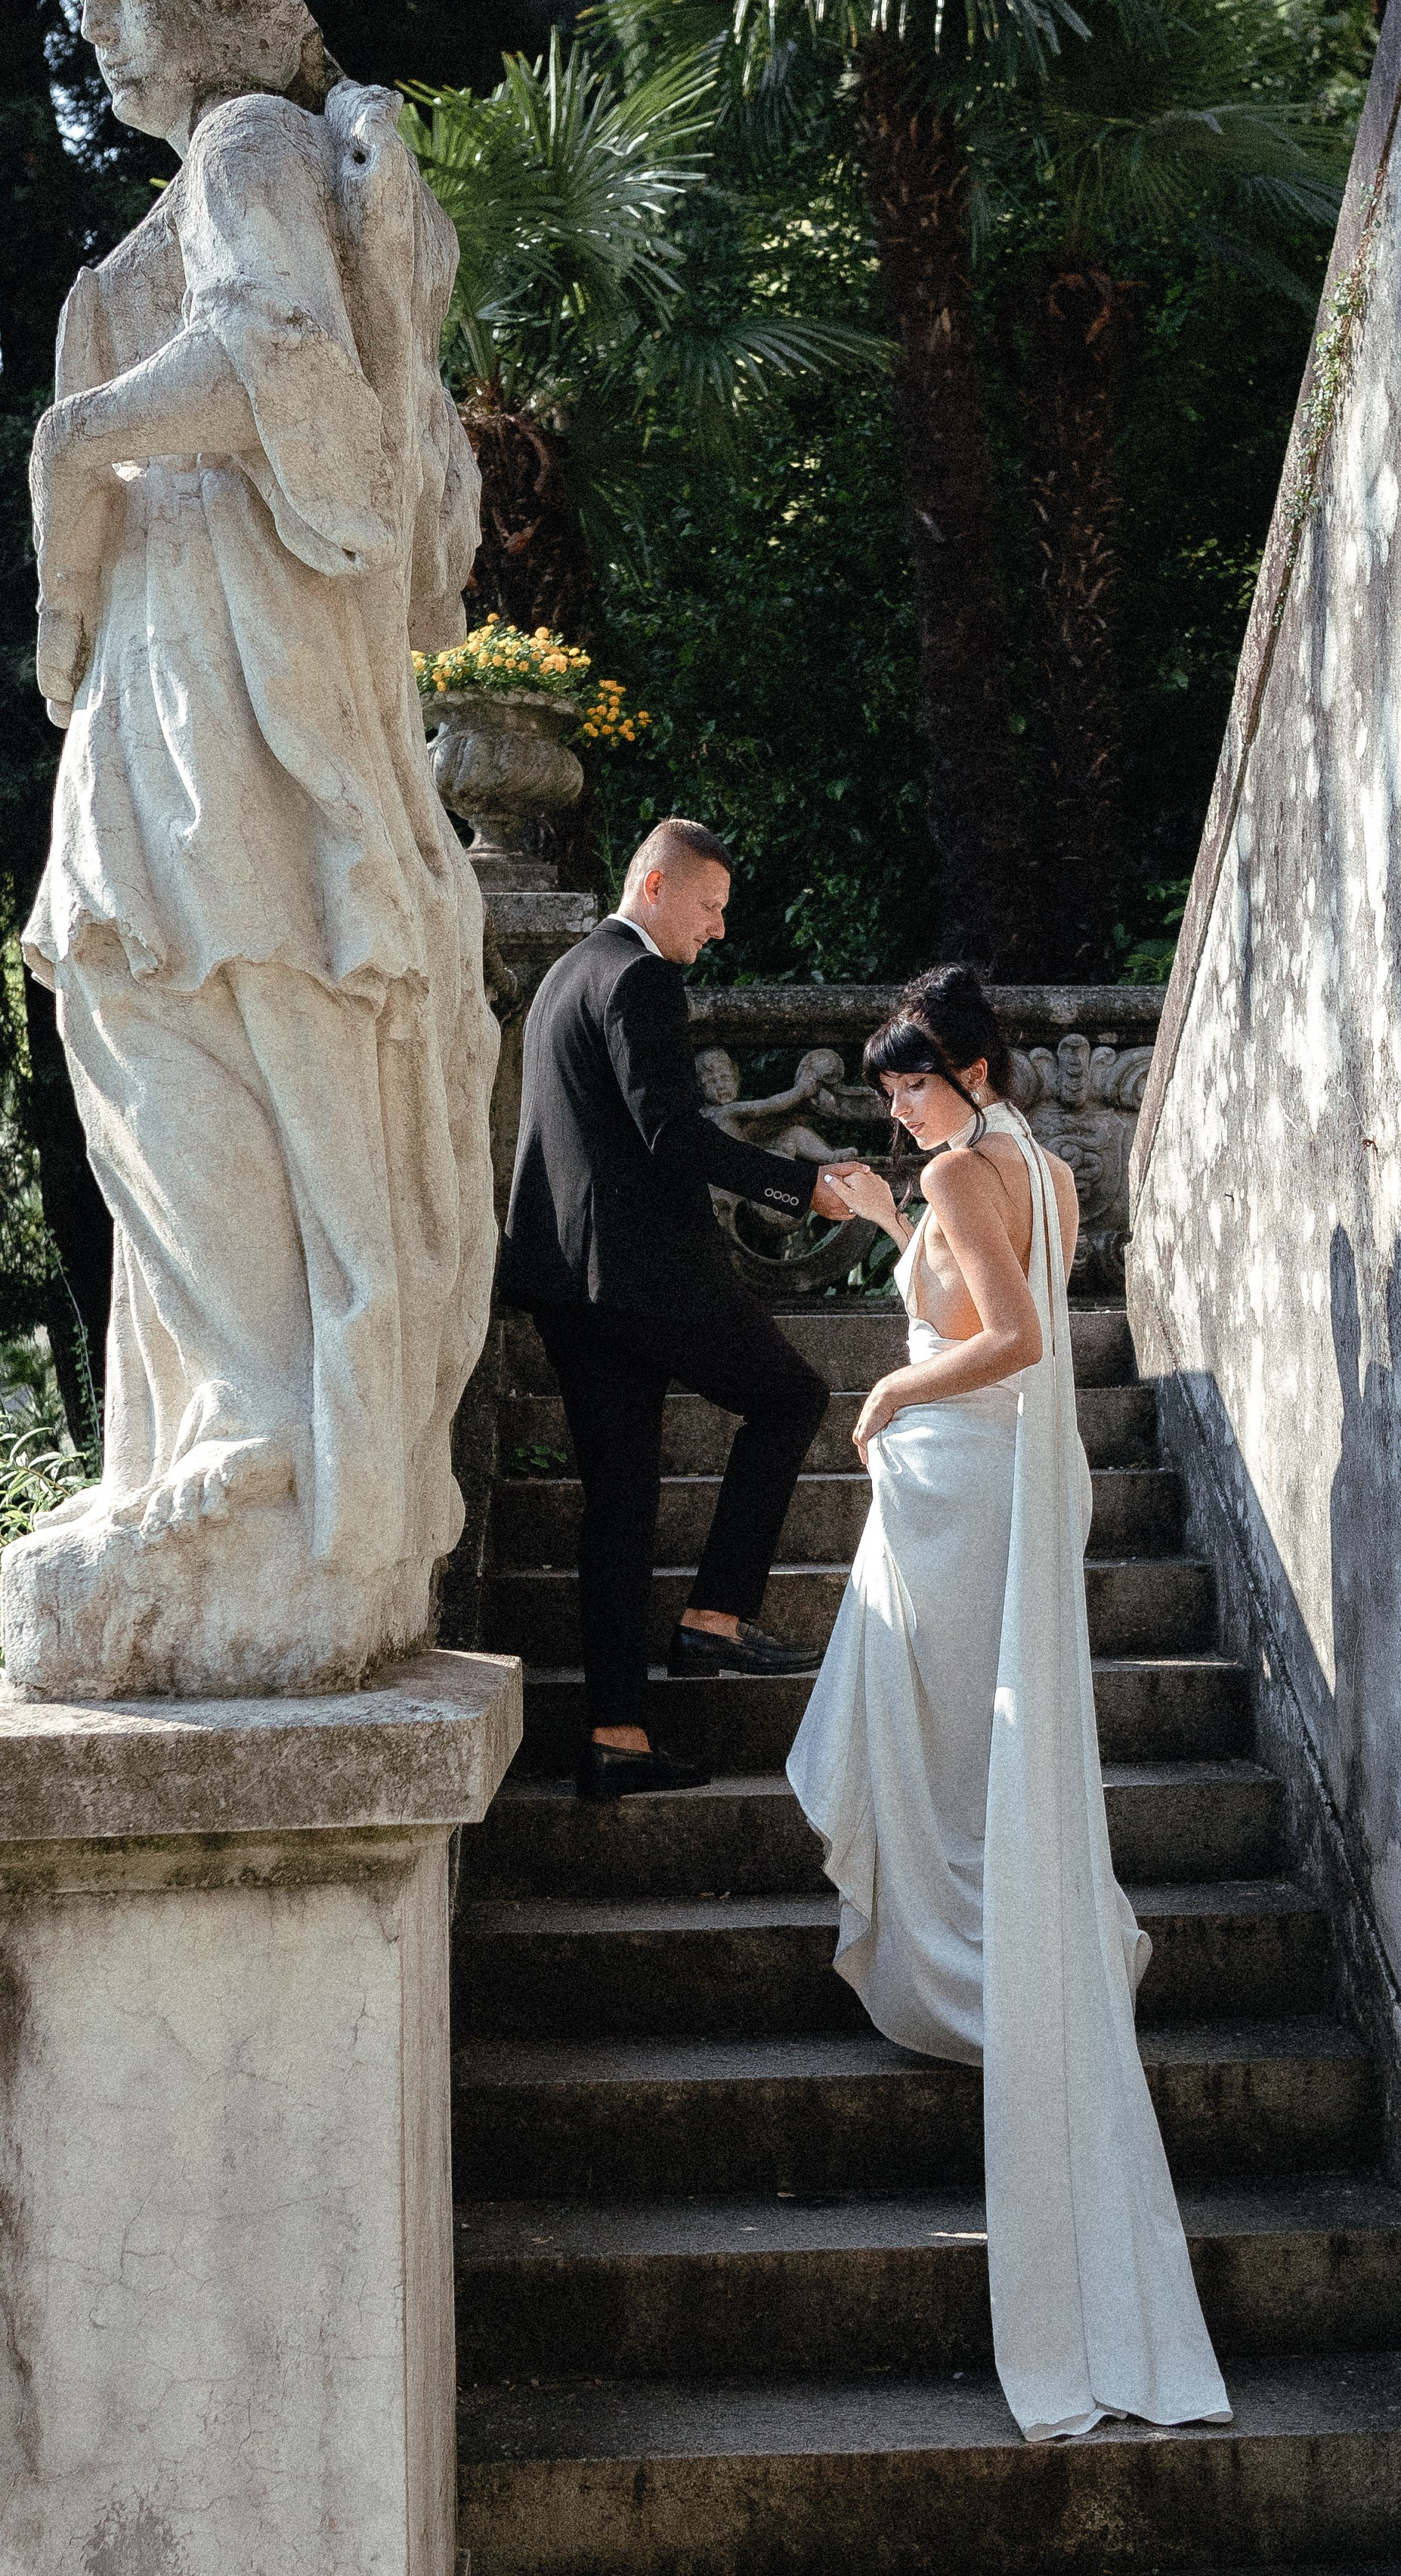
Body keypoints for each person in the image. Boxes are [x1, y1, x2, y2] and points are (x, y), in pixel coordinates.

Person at [11, 0, 496, 1695]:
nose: (91, 34)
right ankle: (234, 1430)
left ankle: (268, 1442)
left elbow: (287, 371)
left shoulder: (246, 144)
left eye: (115, 5)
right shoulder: (206, 180)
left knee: (203, 993)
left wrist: (73, 449)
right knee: (148, 1005)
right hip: (179, 655)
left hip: (229, 669)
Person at [793, 964, 1231, 2443]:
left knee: (933, 1742)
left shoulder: (974, 1166)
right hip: (996, 1485)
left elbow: (1011, 1339)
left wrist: (884, 1400)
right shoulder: (1021, 1169)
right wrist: (882, 1221)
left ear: (972, 1070)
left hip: (965, 1482)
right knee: (945, 1734)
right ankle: (988, 1955)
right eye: (885, 1089)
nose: (894, 1107)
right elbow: (984, 1274)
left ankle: (964, 1974)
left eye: (910, 1082)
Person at [498, 819, 864, 1799]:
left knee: (618, 1509)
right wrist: (802, 1185)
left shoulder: (566, 978)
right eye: (709, 908)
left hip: (566, 1284)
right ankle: (713, 1617)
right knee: (789, 1398)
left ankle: (619, 1736)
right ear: (655, 885)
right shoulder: (641, 977)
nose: (716, 931)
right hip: (646, 1278)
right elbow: (668, 1131)